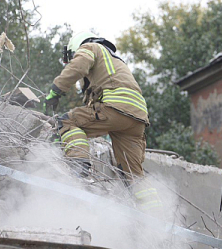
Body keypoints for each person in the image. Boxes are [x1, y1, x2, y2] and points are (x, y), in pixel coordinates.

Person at [44, 31, 157, 208]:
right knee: (132, 174)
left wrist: (56, 90)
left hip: (116, 108)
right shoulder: (116, 63)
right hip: (137, 119)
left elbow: (78, 67)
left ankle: (78, 170)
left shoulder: (91, 47)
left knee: (67, 121)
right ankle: (155, 214)